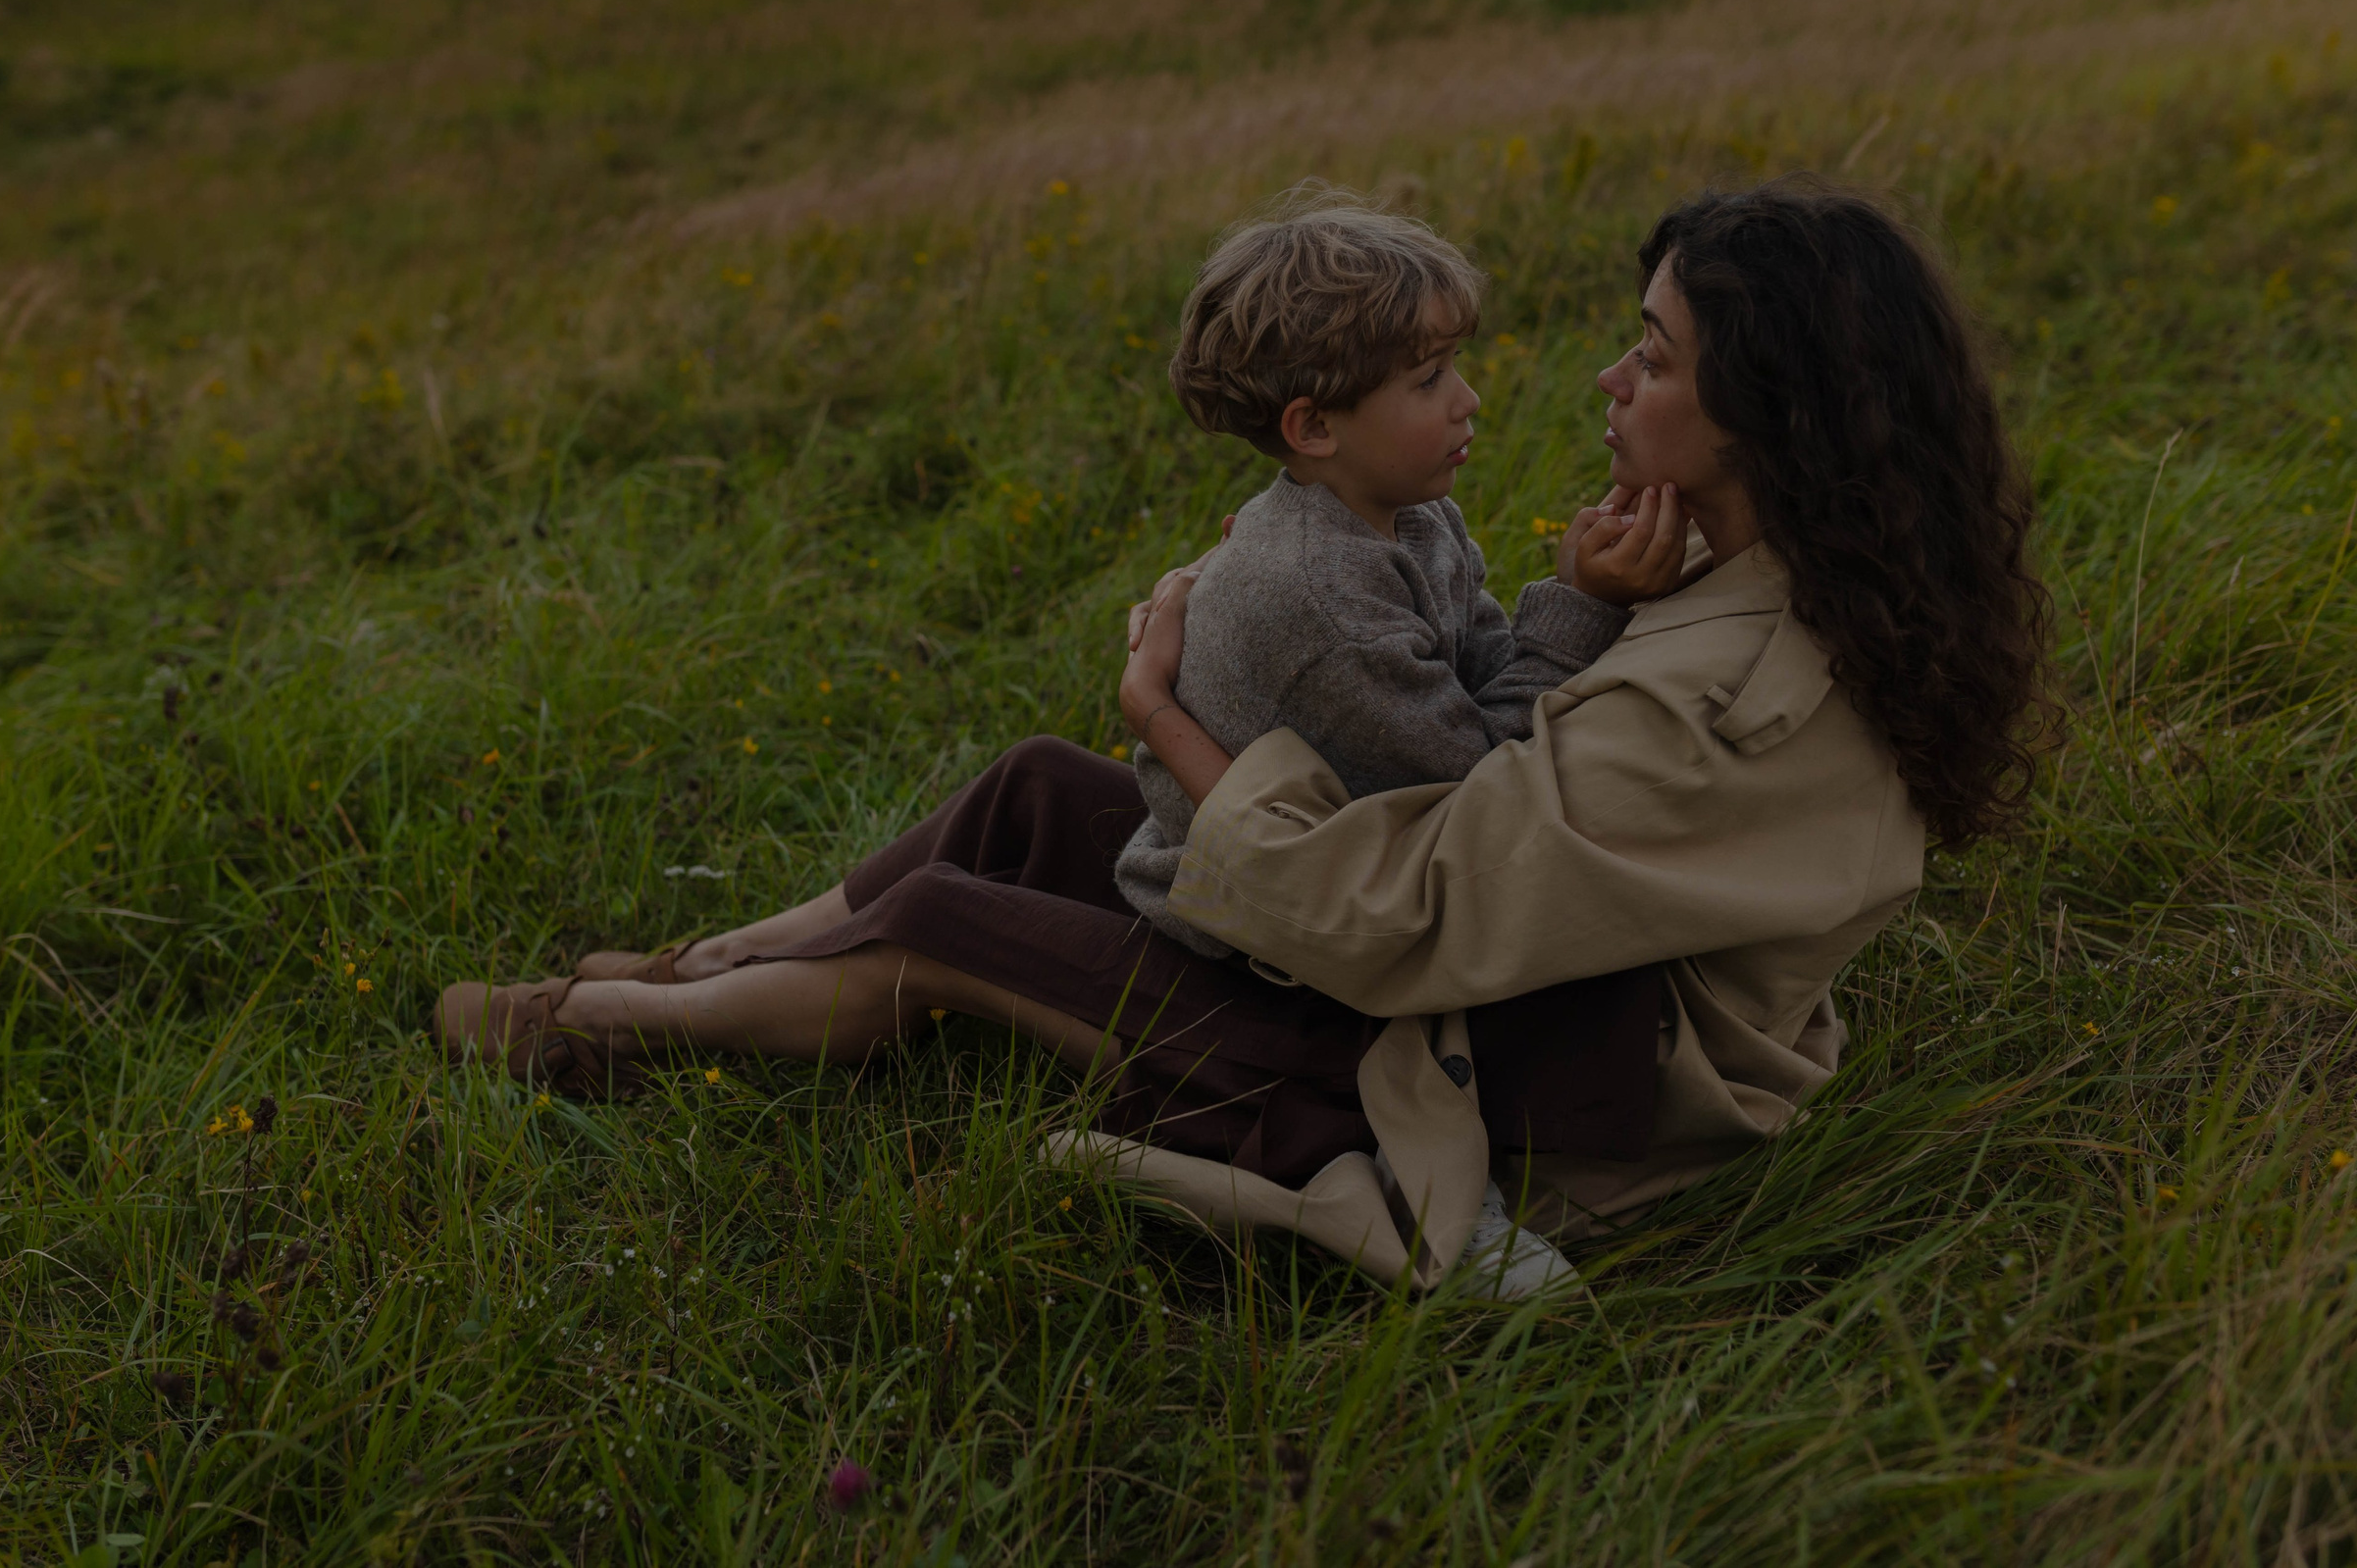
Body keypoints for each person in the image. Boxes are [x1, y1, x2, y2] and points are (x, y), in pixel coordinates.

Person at [435, 177, 2050, 1300]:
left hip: (1530, 1081)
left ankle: (594, 1030)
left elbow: (1399, 922)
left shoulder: (1717, 696)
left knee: (946, 924)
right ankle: (697, 965)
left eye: (1659, 353)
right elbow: (1494, 808)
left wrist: (1168, 721)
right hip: (1527, 959)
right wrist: (1592, 603)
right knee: (1043, 796)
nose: (1613, 375)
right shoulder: (1782, 562)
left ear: (1775, 414)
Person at [1111, 193, 1683, 964]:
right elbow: (1482, 785)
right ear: (1314, 428)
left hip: (1343, 862)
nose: (1467, 399)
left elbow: (1483, 672)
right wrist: (1581, 604)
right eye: (1428, 379)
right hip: (1236, 927)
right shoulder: (1325, 599)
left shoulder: (1410, 515)